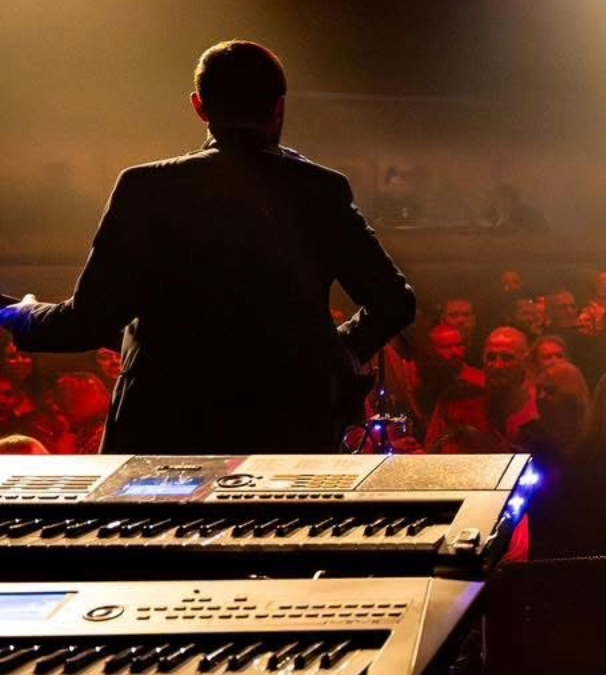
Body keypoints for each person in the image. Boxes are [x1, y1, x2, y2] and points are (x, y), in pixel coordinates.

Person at [0, 41, 415, 454]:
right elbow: (394, 302)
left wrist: (22, 315)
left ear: (199, 107)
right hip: (285, 431)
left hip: (163, 433)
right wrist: (333, 353)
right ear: (279, 107)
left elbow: (88, 322)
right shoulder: (320, 189)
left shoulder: (146, 188)